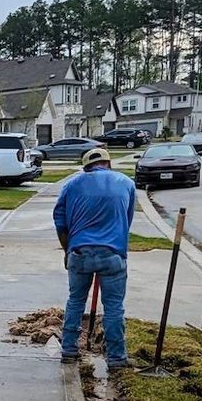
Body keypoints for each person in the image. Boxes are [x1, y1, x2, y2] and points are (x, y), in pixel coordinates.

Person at [52, 147, 137, 369]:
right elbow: (126, 222)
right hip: (113, 254)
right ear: (109, 164)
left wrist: (66, 251)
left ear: (86, 167)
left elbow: (60, 222)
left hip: (79, 252)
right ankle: (117, 358)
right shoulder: (126, 183)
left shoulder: (71, 185)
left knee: (75, 301)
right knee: (114, 307)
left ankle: (69, 350)